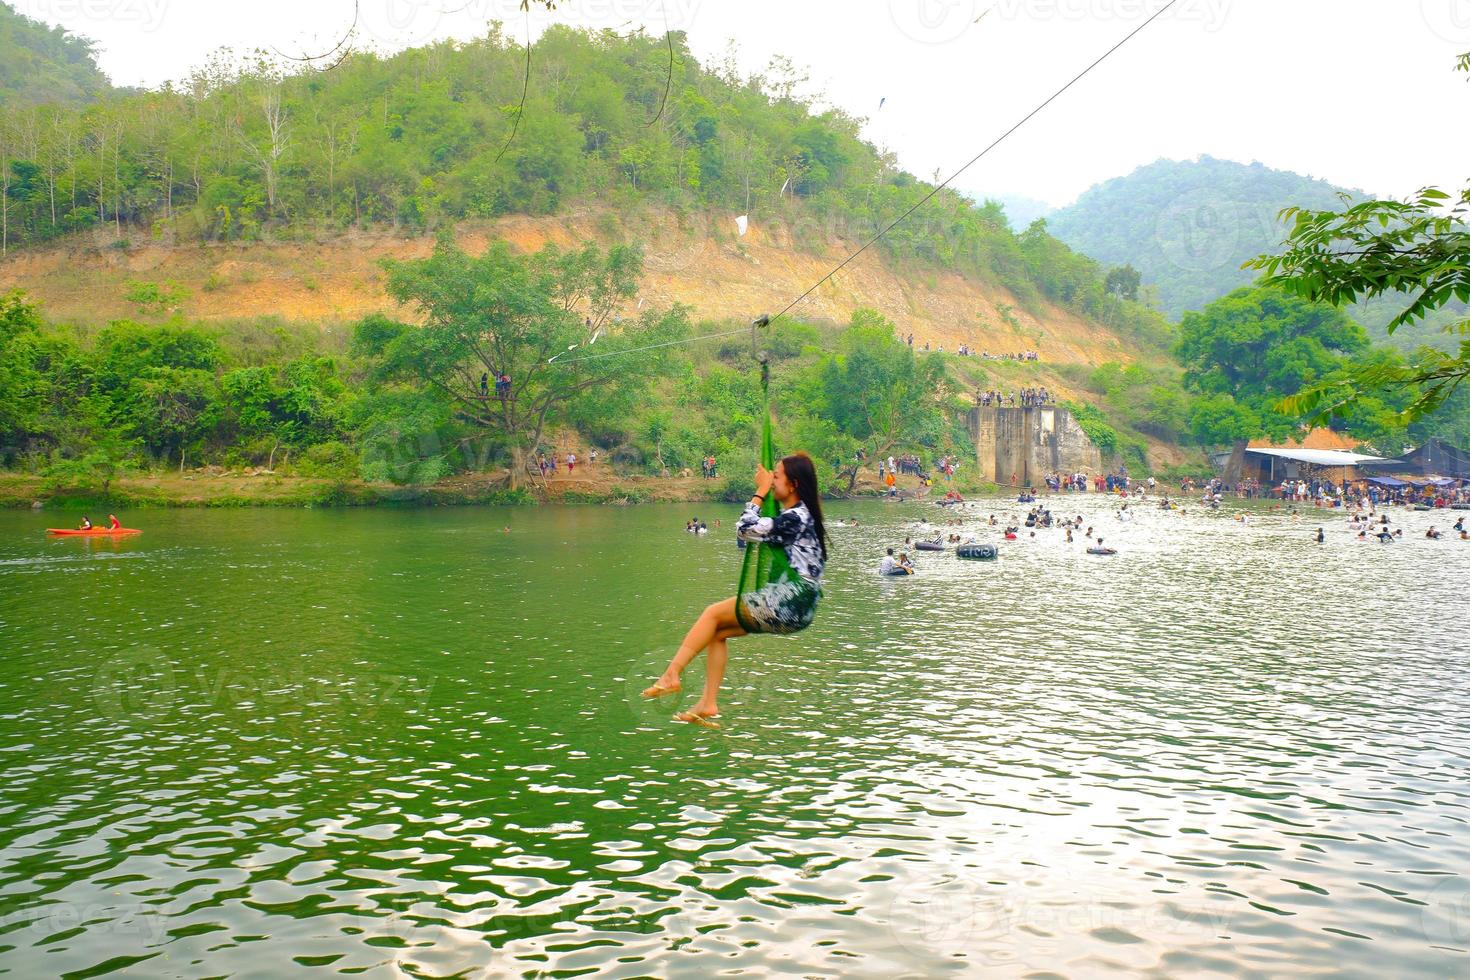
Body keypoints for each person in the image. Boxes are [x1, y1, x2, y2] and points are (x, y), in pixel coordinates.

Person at [642, 454, 829, 727]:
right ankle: (708, 703)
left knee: (711, 614)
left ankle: (671, 674)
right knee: (716, 633)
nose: (771, 479)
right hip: (801, 608)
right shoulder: (800, 516)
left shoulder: (795, 518)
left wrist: (760, 493)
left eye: (776, 476)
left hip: (792, 599)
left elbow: (743, 529)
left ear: (793, 485)